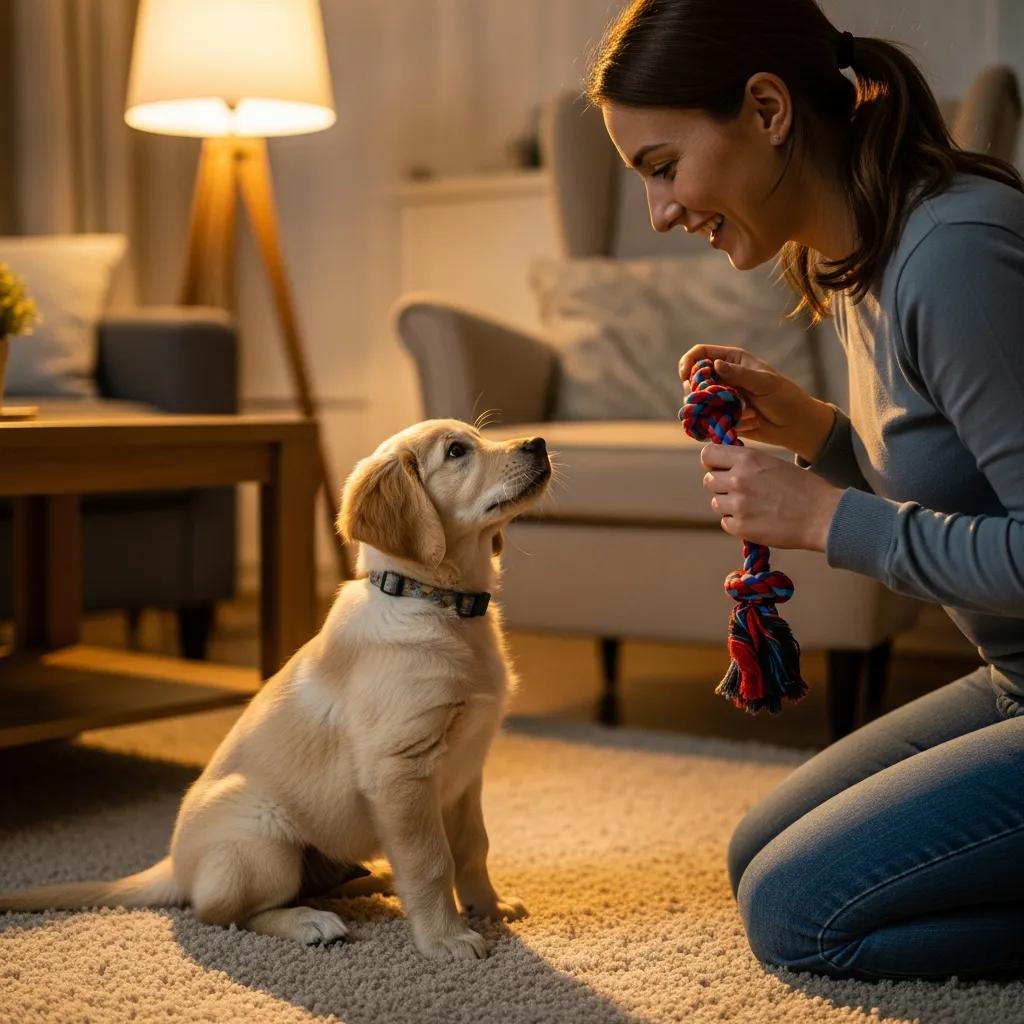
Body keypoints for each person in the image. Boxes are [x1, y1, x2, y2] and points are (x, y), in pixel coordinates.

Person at [587, 0, 1024, 982]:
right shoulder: (852, 259)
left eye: (664, 166)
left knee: (800, 914)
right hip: (1014, 677)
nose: (660, 212)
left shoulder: (953, 252)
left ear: (768, 109)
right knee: (756, 854)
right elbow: (961, 482)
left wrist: (829, 519)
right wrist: (815, 433)